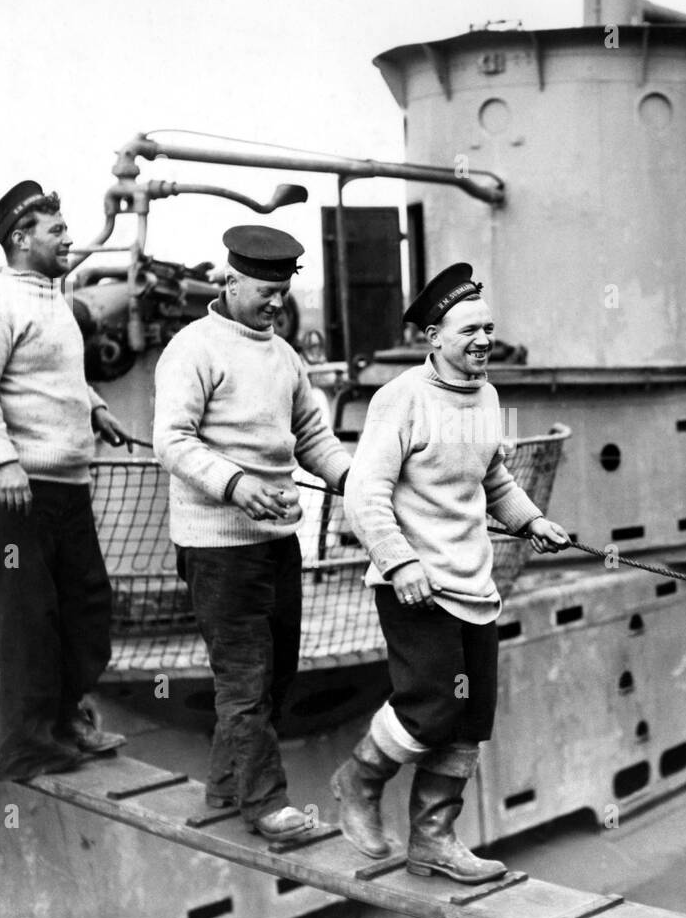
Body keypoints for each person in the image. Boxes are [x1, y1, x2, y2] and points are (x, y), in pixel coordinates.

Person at [334, 262, 570, 883]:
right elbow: (364, 494)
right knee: (431, 706)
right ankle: (357, 782)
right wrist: (400, 561)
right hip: (415, 587)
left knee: (469, 718)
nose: (483, 340)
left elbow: (491, 477)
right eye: (469, 330)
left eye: (488, 328)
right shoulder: (401, 399)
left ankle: (433, 839)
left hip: (474, 585)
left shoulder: (486, 395)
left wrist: (530, 521)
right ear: (433, 337)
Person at [153, 225, 351, 842]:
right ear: (230, 280)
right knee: (243, 680)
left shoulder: (284, 355)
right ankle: (266, 806)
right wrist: (237, 485)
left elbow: (314, 438)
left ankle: (223, 786)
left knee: (276, 675)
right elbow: (172, 440)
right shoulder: (193, 349)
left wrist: (357, 481)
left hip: (275, 543)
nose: (275, 303)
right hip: (216, 548)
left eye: (283, 292)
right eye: (265, 291)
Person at [0, 181, 135, 781]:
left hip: (64, 485)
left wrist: (94, 407)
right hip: (12, 491)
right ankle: (27, 745)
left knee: (86, 608)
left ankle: (63, 723)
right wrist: (3, 460)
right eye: (56, 230)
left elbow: (53, 373)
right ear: (21, 239)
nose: (67, 237)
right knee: (27, 616)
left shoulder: (51, 297)